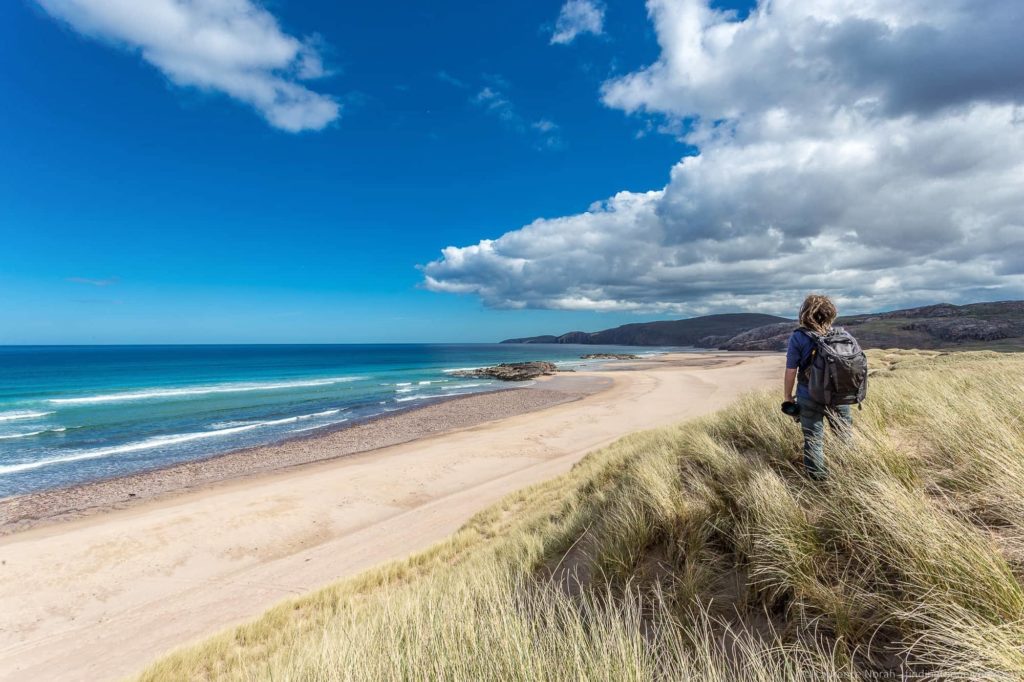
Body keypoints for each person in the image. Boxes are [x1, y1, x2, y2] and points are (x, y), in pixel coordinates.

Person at [783, 294, 852, 480]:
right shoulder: (842, 335)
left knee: (813, 440)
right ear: (830, 313)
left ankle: (819, 483)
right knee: (844, 436)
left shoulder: (798, 337)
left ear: (805, 313)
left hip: (809, 395)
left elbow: (791, 371)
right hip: (839, 396)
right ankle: (850, 474)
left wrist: (788, 397)